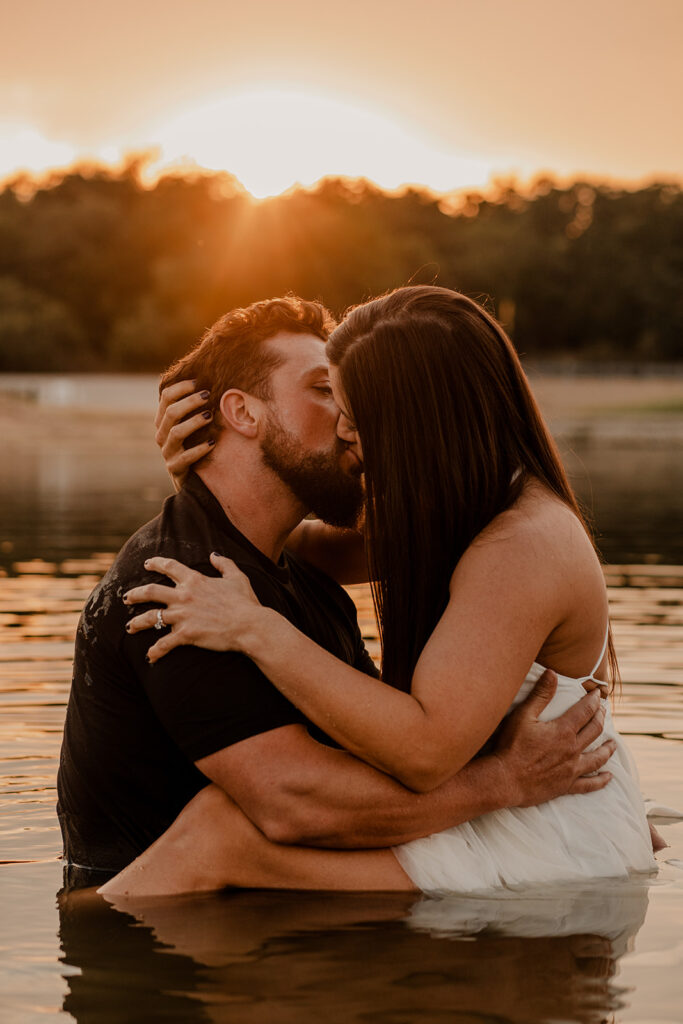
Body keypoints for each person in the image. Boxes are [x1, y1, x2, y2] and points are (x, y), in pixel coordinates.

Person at [98, 288, 648, 899]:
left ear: (416, 418)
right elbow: (301, 543)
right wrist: (209, 481)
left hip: (548, 831)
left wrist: (257, 628)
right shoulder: (464, 509)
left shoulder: (521, 544)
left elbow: (425, 752)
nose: (343, 431)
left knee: (218, 835)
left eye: (355, 413)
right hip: (517, 808)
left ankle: (85, 932)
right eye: (329, 397)